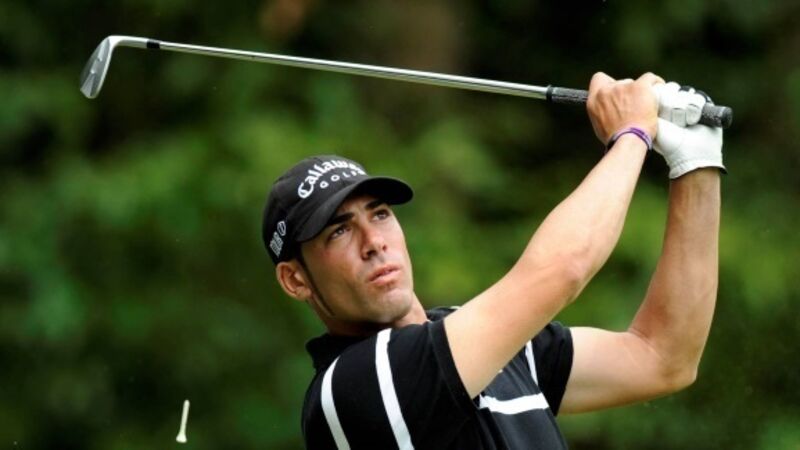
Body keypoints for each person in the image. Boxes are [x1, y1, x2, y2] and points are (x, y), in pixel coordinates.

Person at [260, 72, 724, 449]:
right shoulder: (353, 387)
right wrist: (632, 134)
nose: (373, 242)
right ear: (295, 279)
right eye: (339, 231)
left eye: (379, 214)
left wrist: (696, 163)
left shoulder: (485, 342)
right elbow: (561, 270)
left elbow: (663, 357)